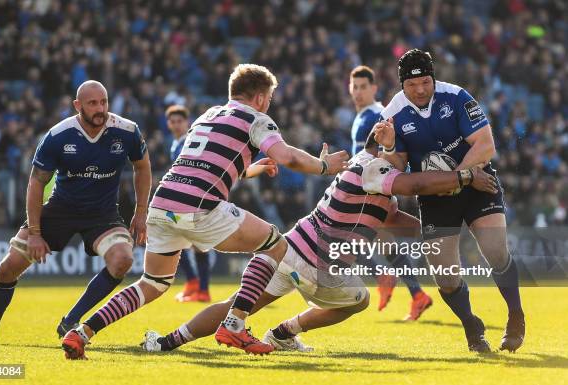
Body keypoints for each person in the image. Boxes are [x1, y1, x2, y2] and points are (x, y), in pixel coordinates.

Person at [61, 63, 350, 358]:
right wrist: (325, 166)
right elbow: (287, 156)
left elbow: (207, 165)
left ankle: (82, 332)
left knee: (152, 283)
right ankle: (235, 324)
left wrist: (250, 170)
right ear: (261, 97)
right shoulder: (256, 118)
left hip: (162, 203)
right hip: (198, 207)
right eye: (270, 98)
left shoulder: (208, 115)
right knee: (275, 244)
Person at [140, 137, 497, 353]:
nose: (406, 157)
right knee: (360, 300)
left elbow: (392, 219)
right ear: (387, 147)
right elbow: (415, 185)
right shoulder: (377, 168)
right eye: (402, 151)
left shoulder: (368, 169)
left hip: (292, 247)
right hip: (319, 263)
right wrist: (460, 179)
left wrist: (433, 229)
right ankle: (285, 332)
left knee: (237, 304)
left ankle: (168, 341)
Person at [0, 80, 151, 344]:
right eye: (92, 103)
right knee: (7, 268)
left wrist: (141, 213)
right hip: (60, 210)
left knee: (123, 260)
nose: (100, 109)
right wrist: (36, 233)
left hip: (103, 214)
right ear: (77, 106)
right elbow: (35, 183)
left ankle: (71, 320)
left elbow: (143, 166)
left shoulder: (127, 130)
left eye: (104, 102)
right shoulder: (58, 136)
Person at [373, 49, 525, 352]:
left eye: (426, 82)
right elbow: (396, 170)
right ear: (402, 84)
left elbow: (485, 144)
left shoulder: (456, 97)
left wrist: (458, 177)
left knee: (495, 251)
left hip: (477, 180)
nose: (420, 90)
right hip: (435, 195)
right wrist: (389, 146)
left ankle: (515, 314)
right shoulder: (392, 114)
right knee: (445, 277)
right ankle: (472, 326)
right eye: (412, 85)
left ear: (434, 78)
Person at [349, 65, 432, 320]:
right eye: (355, 86)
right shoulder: (364, 115)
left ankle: (384, 277)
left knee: (345, 241)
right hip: (375, 188)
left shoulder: (374, 116)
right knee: (386, 244)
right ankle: (418, 295)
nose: (359, 91)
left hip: (372, 189)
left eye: (364, 86)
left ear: (374, 89)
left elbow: (373, 155)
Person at [165, 105, 213, 303]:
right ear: (168, 124)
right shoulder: (176, 144)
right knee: (182, 241)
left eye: (180, 121)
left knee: (192, 244)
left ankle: (200, 287)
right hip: (185, 200)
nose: (176, 125)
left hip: (193, 200)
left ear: (187, 122)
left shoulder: (190, 142)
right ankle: (196, 284)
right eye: (173, 121)